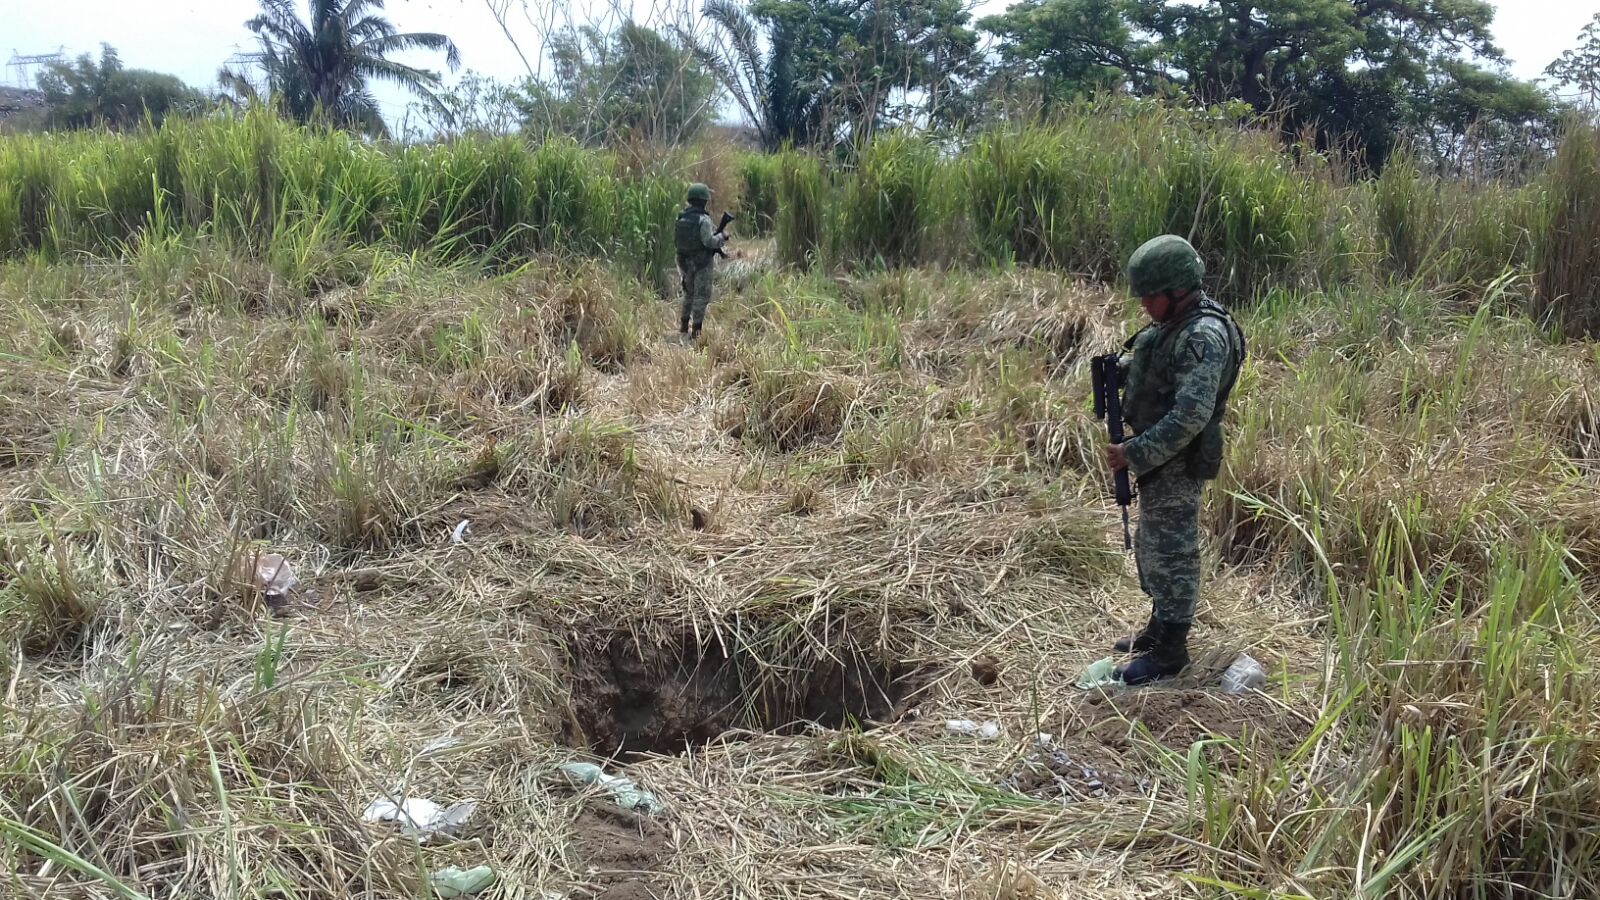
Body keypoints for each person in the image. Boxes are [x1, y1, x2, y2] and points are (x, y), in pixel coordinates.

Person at [1104, 234, 1246, 685]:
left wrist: (1134, 453)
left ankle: (1171, 651)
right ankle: (1159, 626)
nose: (1144, 304)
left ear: (1178, 290)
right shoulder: (1174, 325)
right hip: (1160, 456)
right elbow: (1159, 372)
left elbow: (1190, 416)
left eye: (1151, 295)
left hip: (1178, 459)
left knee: (1173, 551)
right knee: (1153, 546)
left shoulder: (1203, 335)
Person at [674, 183, 729, 340]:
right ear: (704, 200)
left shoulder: (681, 217)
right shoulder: (703, 220)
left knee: (688, 293)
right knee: (701, 296)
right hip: (701, 262)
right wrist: (721, 237)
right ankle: (696, 332)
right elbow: (708, 241)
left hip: (684, 261)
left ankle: (684, 326)